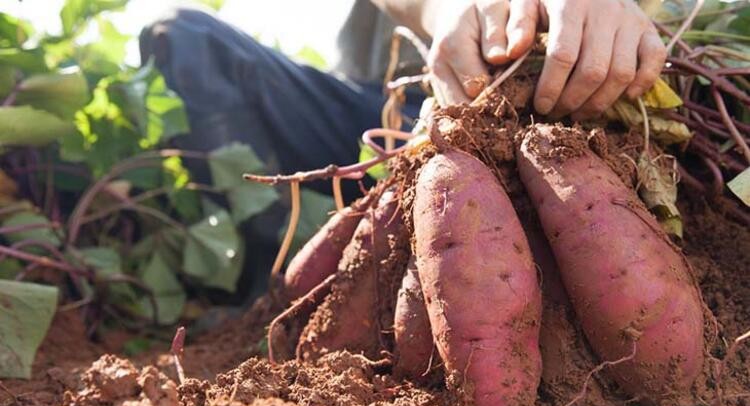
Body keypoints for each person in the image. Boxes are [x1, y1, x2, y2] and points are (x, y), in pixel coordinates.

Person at [139, 0, 665, 294]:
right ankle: (264, 289)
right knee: (184, 38)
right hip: (401, 118)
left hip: (592, 128)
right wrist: (443, 11)